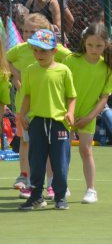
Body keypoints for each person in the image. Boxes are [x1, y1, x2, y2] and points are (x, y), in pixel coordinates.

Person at [8, 13, 72, 199]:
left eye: (33, 31)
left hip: (49, 108)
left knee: (51, 148)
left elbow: (71, 58)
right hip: (26, 108)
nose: (28, 35)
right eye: (25, 31)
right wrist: (17, 76)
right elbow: (7, 60)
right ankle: (27, 178)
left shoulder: (54, 49)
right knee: (27, 143)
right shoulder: (20, 49)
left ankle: (53, 183)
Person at [18, 29, 76, 210]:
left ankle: (60, 197)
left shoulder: (64, 71)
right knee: (36, 160)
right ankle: (35, 196)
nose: (38, 54)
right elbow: (27, 96)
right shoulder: (30, 71)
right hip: (36, 123)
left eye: (43, 50)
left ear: (54, 51)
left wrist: (70, 112)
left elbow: (71, 96)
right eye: (35, 50)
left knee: (59, 161)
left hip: (59, 122)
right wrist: (21, 115)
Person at [63, 23, 112, 205]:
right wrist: (67, 112)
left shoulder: (107, 68)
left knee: (86, 150)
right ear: (84, 43)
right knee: (61, 152)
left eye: (99, 46)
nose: (94, 50)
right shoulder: (71, 61)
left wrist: (89, 117)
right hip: (64, 114)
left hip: (88, 115)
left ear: (106, 45)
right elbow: (60, 86)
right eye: (90, 45)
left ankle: (91, 189)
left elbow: (104, 99)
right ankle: (59, 186)